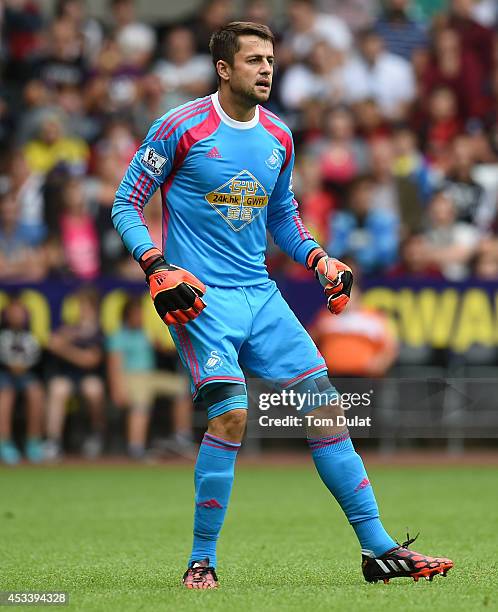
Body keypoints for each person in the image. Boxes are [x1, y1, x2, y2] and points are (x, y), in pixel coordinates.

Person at [112, 21, 453, 589]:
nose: (266, 69)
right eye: (253, 60)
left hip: (262, 296)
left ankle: (378, 550)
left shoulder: (279, 135)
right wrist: (157, 266)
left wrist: (320, 259)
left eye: (270, 59)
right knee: (233, 414)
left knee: (326, 410)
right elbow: (126, 204)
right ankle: (202, 561)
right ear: (224, 69)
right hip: (200, 298)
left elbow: (281, 218)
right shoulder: (179, 127)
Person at [106, 295, 192, 460]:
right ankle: (136, 448)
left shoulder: (146, 333)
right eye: (136, 314)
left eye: (140, 313)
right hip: (130, 378)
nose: (139, 317)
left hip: (150, 376)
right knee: (142, 400)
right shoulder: (118, 336)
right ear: (127, 315)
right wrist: (117, 390)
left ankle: (182, 438)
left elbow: (165, 349)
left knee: (182, 387)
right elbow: (113, 367)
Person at [44, 286, 106, 460]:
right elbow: (51, 343)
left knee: (93, 389)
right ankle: (53, 441)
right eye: (80, 306)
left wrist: (65, 349)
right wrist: (68, 341)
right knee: (59, 388)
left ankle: (96, 434)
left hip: (90, 377)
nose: (81, 310)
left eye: (85, 307)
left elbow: (89, 360)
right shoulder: (69, 328)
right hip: (67, 375)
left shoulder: (99, 332)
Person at [0, 297, 45, 465]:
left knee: (36, 392)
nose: (17, 316)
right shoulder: (2, 335)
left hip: (26, 375)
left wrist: (22, 366)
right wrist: (11, 365)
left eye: (20, 313)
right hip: (4, 374)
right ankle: (4, 443)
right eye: (13, 312)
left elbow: (35, 358)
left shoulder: (31, 337)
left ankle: (33, 442)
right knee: (5, 394)